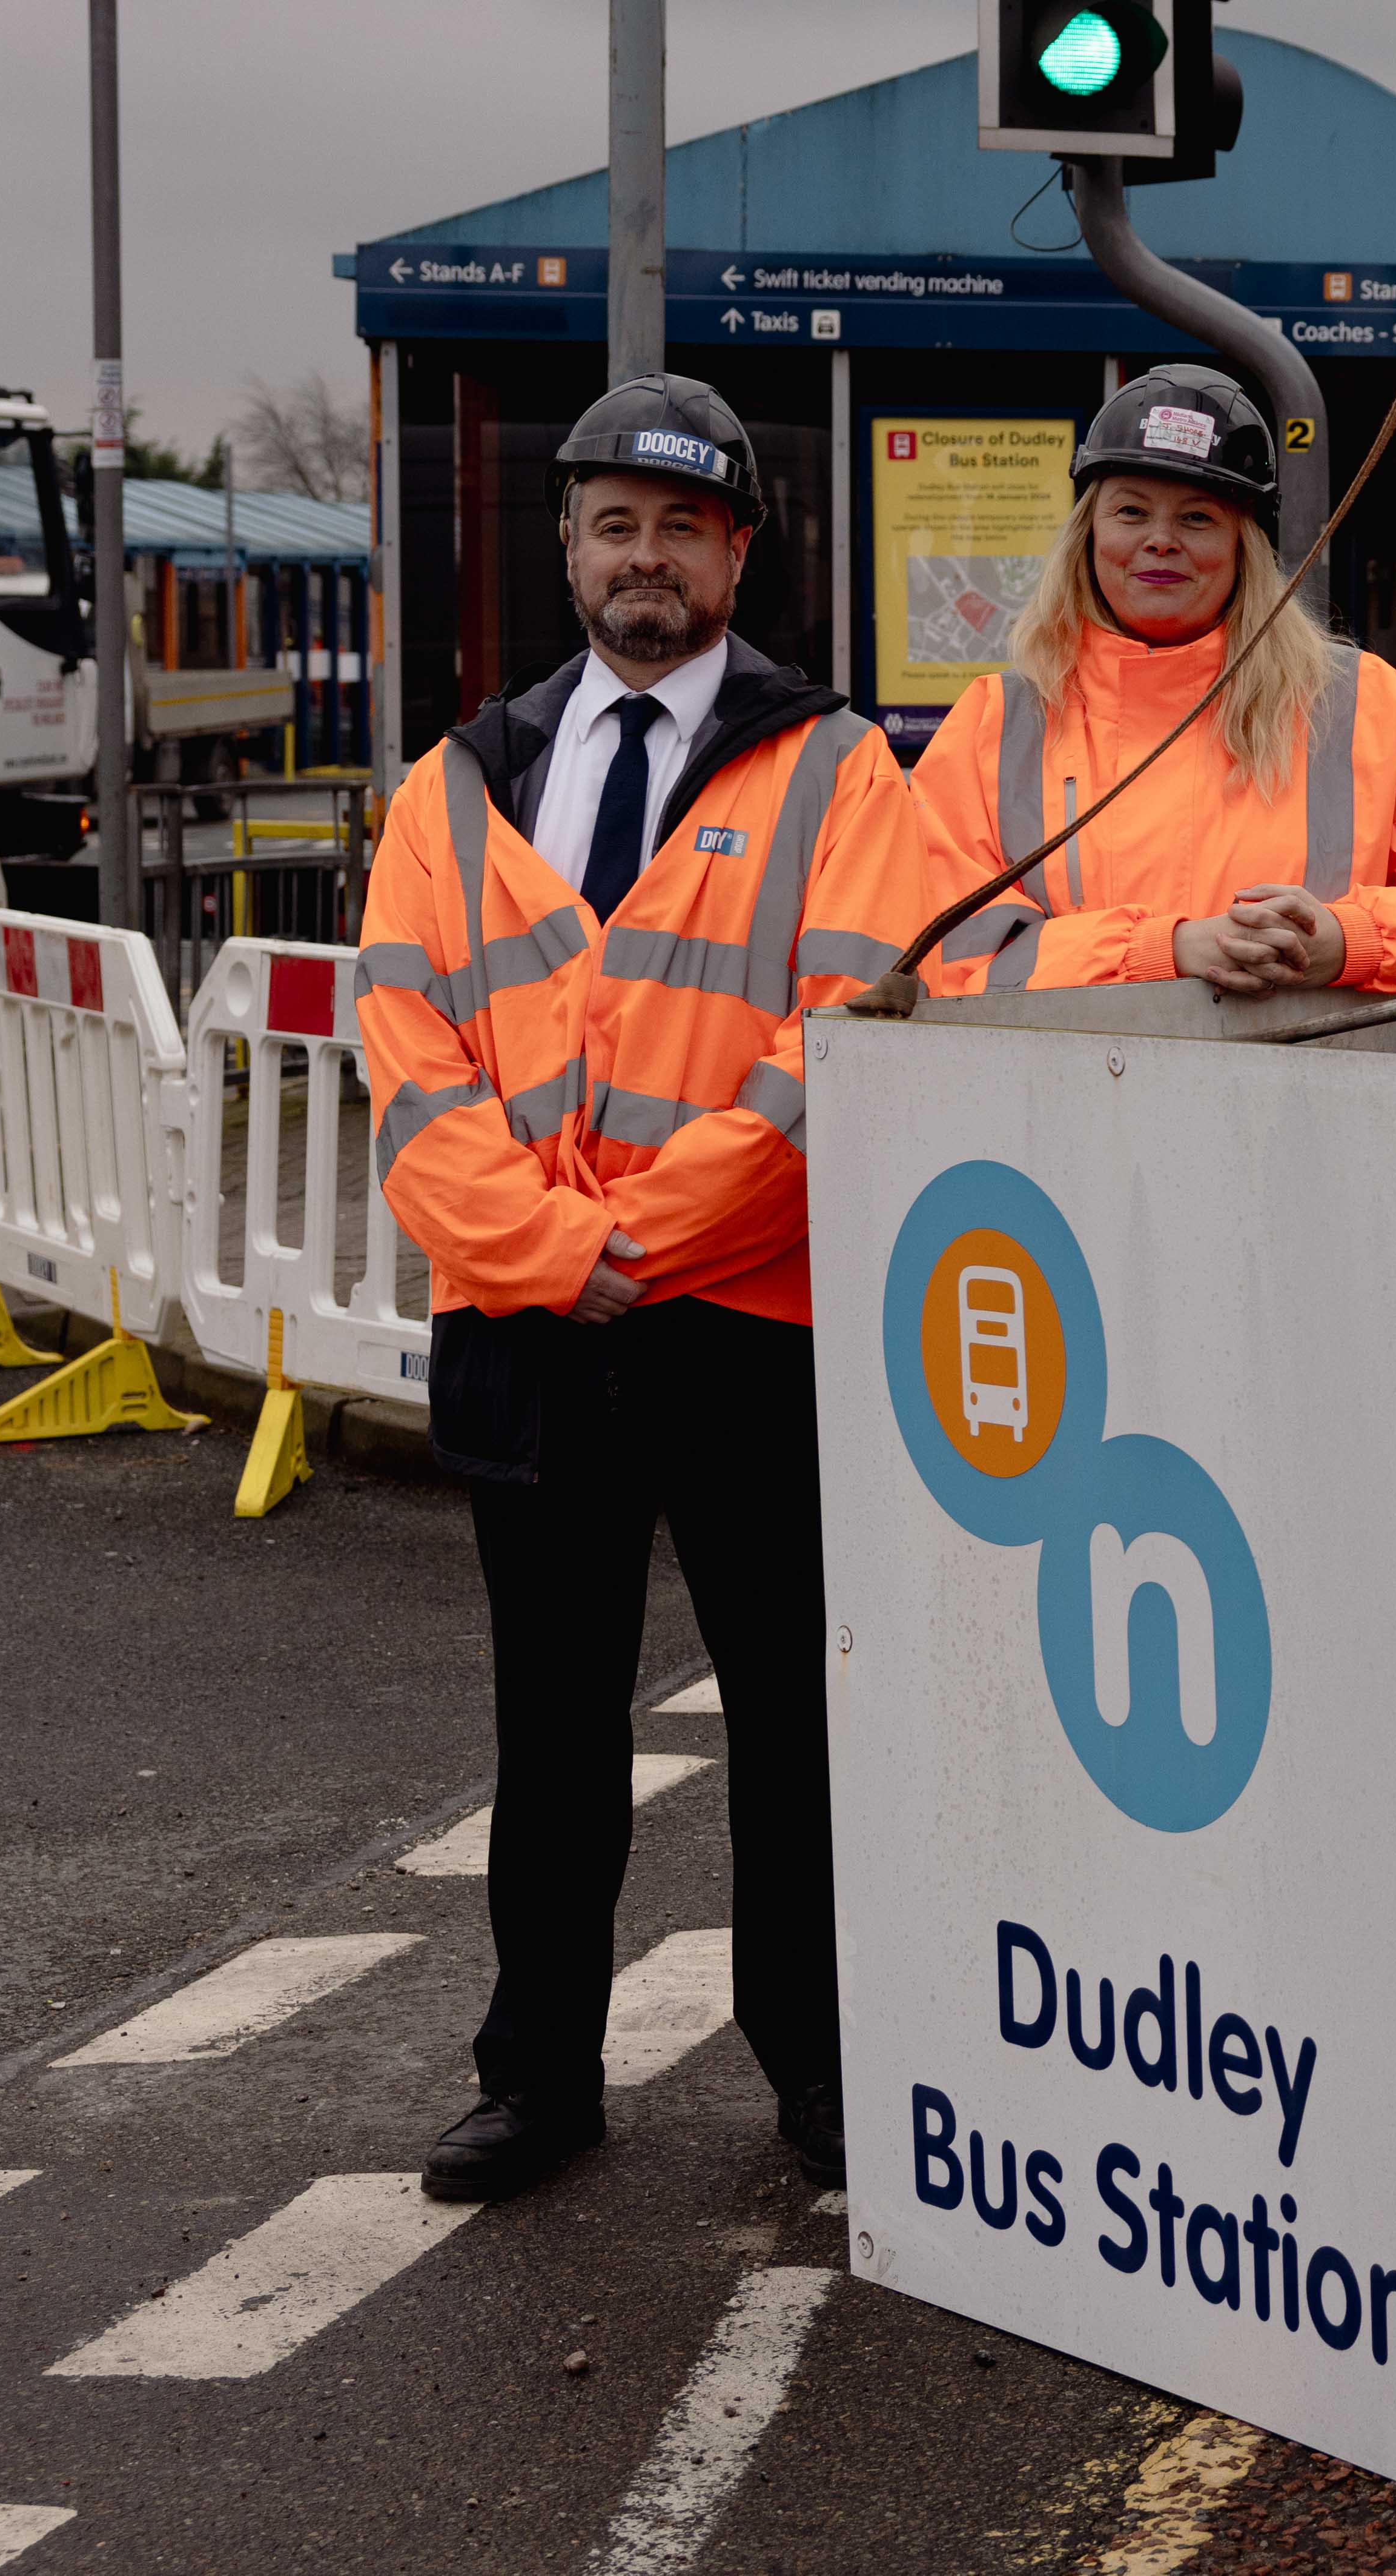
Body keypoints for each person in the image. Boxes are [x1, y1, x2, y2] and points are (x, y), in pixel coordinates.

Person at [362, 374, 959, 2202]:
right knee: (550, 1733)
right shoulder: (460, 779)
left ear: (739, 554)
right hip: (536, 1330)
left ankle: (826, 2076)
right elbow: (408, 1055)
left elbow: (842, 1030)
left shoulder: (843, 768)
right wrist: (558, 1255)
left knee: (792, 1720)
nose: (646, 557)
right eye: (613, 524)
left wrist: (640, 1240)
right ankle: (538, 2074)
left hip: (745, 1324)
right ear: (566, 551)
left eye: (682, 527)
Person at [915, 366, 1396, 997]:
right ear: (1089, 533)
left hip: (1317, 1090)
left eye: (1198, 518)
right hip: (1061, 1094)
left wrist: (1351, 943)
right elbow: (941, 949)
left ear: (1246, 545)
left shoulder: (1358, 702)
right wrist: (1165, 949)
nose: (1160, 541)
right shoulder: (999, 720)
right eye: (1131, 511)